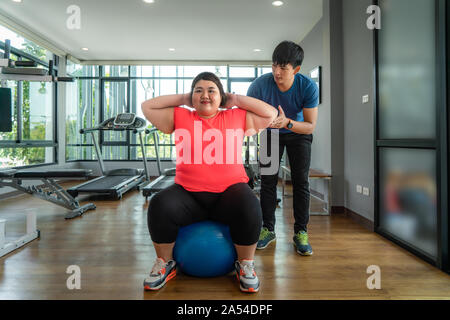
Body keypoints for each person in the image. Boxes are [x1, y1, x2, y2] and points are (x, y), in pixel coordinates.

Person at [141, 72, 277, 292]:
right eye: (199, 90)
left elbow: (270, 113)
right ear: (191, 96)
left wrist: (235, 99)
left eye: (211, 90)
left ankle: (246, 265)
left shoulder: (236, 117)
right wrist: (184, 99)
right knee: (159, 204)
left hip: (229, 194)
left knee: (250, 203)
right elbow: (147, 106)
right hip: (188, 195)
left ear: (220, 96)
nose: (205, 95)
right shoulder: (181, 116)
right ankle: (165, 263)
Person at [247, 40, 319, 255]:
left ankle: (301, 232)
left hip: (297, 133)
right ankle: (268, 229)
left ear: (296, 69)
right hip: (270, 133)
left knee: (300, 182)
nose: (277, 72)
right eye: (274, 66)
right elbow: (248, 115)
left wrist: (287, 122)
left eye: (283, 68)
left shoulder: (308, 86)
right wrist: (264, 122)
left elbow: (310, 126)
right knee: (268, 181)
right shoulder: (259, 85)